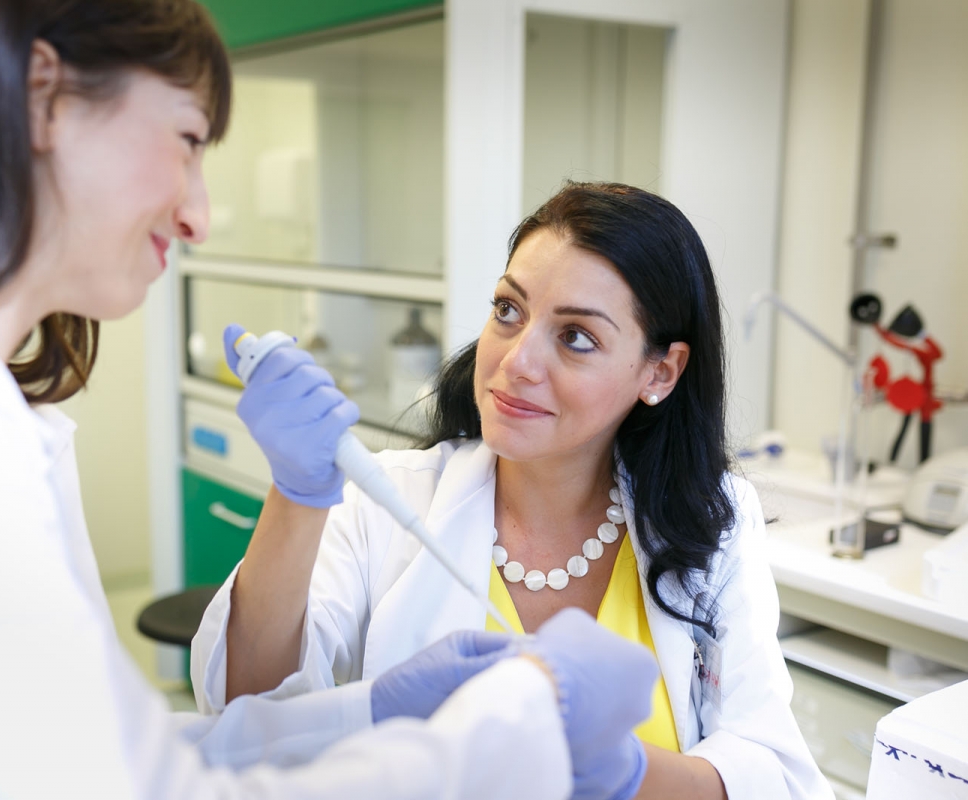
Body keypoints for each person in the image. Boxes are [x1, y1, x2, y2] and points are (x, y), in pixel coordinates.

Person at [0, 2, 665, 798]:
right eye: (190, 141)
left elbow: (113, 750)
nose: (199, 214)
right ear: (45, 96)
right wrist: (520, 716)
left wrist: (361, 716)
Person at [194, 181, 837, 800]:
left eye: (576, 337)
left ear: (659, 371)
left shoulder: (711, 523)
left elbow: (773, 771)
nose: (516, 362)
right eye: (509, 310)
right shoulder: (388, 502)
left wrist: (623, 772)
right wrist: (297, 494)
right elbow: (243, 712)